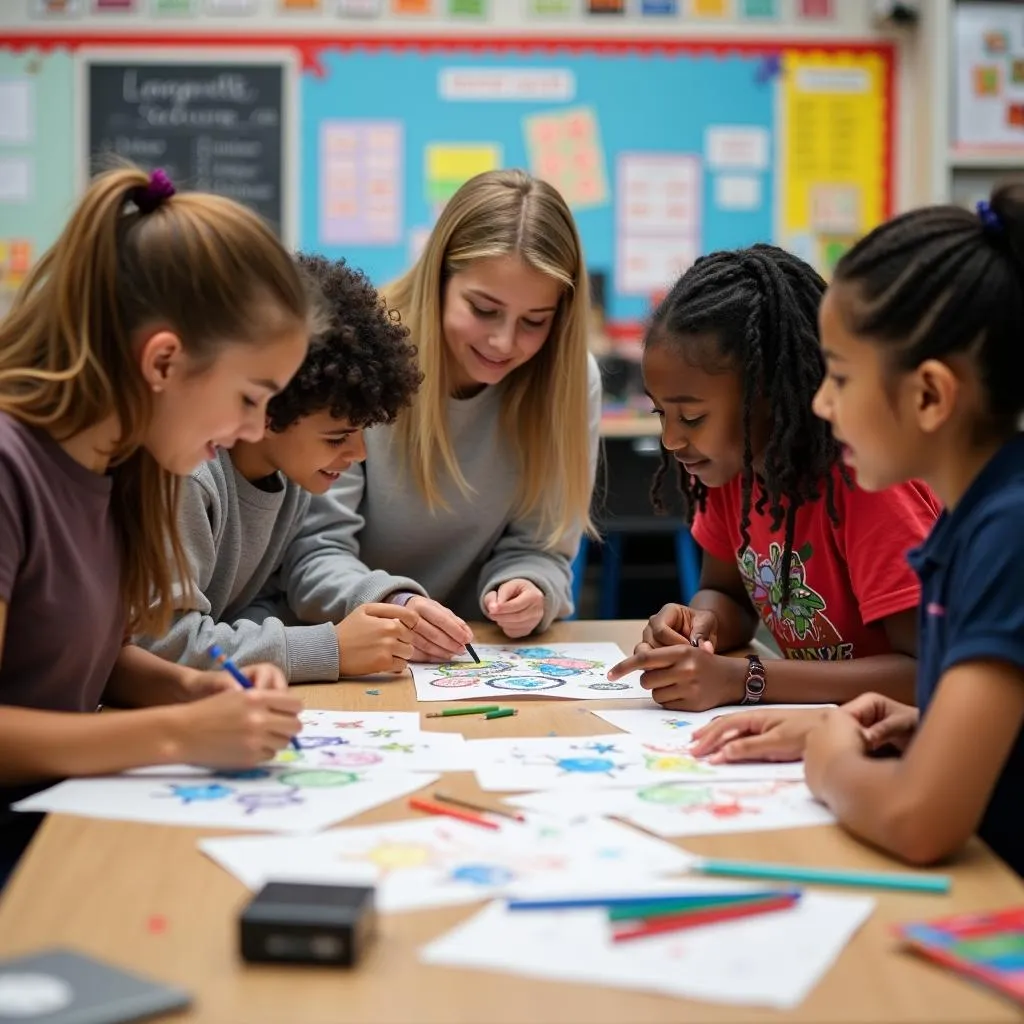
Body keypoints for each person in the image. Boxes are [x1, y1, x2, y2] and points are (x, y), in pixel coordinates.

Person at [0, 166, 310, 884]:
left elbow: (65, 659)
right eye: (250, 396)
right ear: (163, 361)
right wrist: (176, 733)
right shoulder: (13, 466)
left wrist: (187, 691)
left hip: (69, 823)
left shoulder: (125, 466)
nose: (255, 429)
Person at [701, 189, 1024, 874]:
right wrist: (910, 728)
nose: (819, 402)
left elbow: (917, 822)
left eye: (840, 377)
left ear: (930, 395)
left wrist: (831, 762)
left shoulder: (1009, 534)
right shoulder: (976, 520)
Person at [283, 169, 602, 660]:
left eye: (534, 322)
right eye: (483, 309)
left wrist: (529, 586)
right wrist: (395, 603)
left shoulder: (570, 380)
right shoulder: (362, 354)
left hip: (476, 657)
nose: (503, 342)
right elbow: (313, 553)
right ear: (439, 278)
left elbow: (542, 548)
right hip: (353, 652)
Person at [607, 244, 939, 710]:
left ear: (766, 395)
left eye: (692, 417)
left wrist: (745, 679)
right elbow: (728, 595)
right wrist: (698, 623)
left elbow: (927, 672)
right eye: (662, 413)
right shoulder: (732, 476)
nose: (670, 440)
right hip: (823, 729)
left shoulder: (868, 481)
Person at [138, 254, 423, 681]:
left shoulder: (290, 478)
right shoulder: (189, 476)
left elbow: (260, 603)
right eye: (336, 436)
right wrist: (329, 649)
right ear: (270, 409)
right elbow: (160, 642)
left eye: (362, 431)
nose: (359, 453)